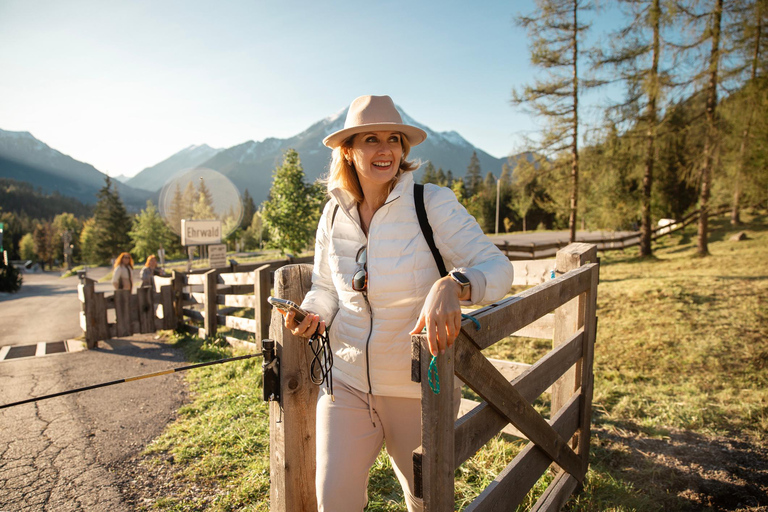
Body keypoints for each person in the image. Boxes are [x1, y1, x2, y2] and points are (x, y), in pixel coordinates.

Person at [280, 95, 514, 512]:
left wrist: (454, 283)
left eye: (393, 139)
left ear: (404, 149)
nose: (384, 149)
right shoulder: (333, 214)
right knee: (333, 502)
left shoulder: (432, 203)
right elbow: (325, 286)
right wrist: (314, 313)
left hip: (418, 388)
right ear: (348, 151)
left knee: (425, 503)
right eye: (370, 139)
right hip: (345, 383)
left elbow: (497, 269)